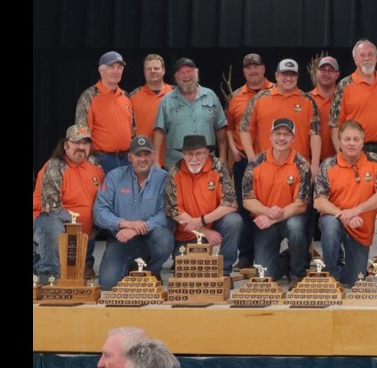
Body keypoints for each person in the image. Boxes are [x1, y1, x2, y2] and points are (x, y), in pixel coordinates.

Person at [314, 120, 377, 285]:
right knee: (330, 226)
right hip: (336, 220)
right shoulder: (328, 164)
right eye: (347, 139)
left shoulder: (376, 161)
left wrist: (356, 210)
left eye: (356, 139)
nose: (351, 143)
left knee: (355, 281)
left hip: (361, 226)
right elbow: (319, 201)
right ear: (339, 142)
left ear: (363, 142)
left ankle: (344, 270)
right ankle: (331, 274)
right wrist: (343, 215)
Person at [93, 135, 172, 290]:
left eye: (146, 154)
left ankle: (151, 271)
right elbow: (99, 211)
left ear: (153, 156)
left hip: (151, 236)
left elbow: (168, 214)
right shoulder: (114, 177)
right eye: (138, 155)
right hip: (121, 238)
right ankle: (133, 269)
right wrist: (125, 224)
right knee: (108, 283)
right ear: (130, 157)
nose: (142, 159)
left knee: (164, 238)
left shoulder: (165, 178)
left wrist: (138, 228)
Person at [242, 117, 312, 283]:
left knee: (296, 226)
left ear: (293, 138)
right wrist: (267, 212)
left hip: (289, 218)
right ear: (270, 136)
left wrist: (272, 218)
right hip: (264, 221)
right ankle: (288, 259)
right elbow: (247, 200)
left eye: (286, 135)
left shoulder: (302, 164)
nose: (281, 138)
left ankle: (297, 274)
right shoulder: (255, 163)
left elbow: (301, 204)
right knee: (265, 276)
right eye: (277, 133)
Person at [33, 125, 104, 283]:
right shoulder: (54, 167)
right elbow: (52, 209)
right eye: (76, 142)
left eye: (85, 143)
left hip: (81, 234)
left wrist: (96, 228)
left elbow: (103, 202)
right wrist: (78, 230)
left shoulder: (96, 168)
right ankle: (48, 275)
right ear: (66, 145)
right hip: (48, 225)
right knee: (52, 223)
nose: (81, 147)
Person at [164, 134, 243, 276]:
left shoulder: (218, 166)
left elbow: (231, 204)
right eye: (189, 154)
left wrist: (201, 221)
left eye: (199, 153)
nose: (194, 159)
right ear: (183, 154)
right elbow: (174, 210)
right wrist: (204, 231)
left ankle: (223, 272)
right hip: (188, 233)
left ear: (207, 153)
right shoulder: (175, 170)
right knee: (190, 275)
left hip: (215, 228)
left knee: (234, 221)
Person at [224, 52, 273, 270]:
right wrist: (234, 149)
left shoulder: (276, 91)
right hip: (245, 160)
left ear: (264, 69)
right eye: (248, 68)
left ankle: (273, 252)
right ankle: (245, 254)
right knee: (245, 208)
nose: (253, 71)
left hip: (272, 160)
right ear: (244, 72)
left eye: (257, 66)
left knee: (271, 205)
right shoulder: (236, 96)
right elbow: (229, 126)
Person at [240, 58, 321, 171]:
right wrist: (252, 159)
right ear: (276, 76)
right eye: (284, 74)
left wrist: (314, 165)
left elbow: (315, 134)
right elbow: (244, 130)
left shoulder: (308, 101)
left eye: (292, 75)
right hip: (265, 167)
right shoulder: (259, 99)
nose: (288, 78)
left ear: (297, 77)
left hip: (299, 169)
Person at [329, 39, 377, 164]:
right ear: (355, 60)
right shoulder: (344, 85)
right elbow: (335, 125)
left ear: (376, 58)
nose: (367, 58)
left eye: (370, 54)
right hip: (355, 148)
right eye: (362, 55)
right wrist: (340, 153)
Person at [153, 57, 228, 171]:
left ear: (196, 73)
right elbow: (158, 131)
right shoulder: (166, 100)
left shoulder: (211, 96)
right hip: (177, 166)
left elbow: (221, 128)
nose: (186, 75)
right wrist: (156, 161)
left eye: (189, 71)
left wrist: (223, 157)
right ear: (176, 77)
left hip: (207, 165)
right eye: (182, 72)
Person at [75, 51, 135, 174]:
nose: (116, 71)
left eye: (119, 67)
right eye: (111, 67)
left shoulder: (126, 96)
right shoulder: (89, 97)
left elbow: (133, 130)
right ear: (101, 70)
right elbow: (82, 133)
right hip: (101, 160)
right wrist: (90, 161)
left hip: (126, 160)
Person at [128, 54, 173, 167]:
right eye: (149, 68)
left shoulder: (176, 94)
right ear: (144, 72)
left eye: (156, 68)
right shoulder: (133, 96)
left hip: (173, 160)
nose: (153, 71)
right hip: (143, 160)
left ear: (163, 70)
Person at [309, 55, 341, 168]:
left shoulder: (345, 98)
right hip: (311, 160)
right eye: (322, 69)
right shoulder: (306, 99)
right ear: (316, 72)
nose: (326, 73)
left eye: (331, 70)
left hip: (339, 159)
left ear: (337, 74)